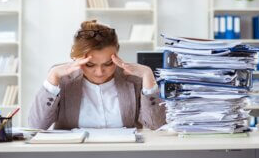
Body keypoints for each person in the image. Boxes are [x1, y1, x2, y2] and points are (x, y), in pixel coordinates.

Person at [28, 20, 165, 130]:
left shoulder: (133, 80)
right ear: (77, 57)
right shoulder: (62, 80)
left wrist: (148, 76)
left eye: (108, 63)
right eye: (90, 64)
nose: (99, 72)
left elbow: (155, 125)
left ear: (117, 53)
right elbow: (36, 126)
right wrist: (53, 76)